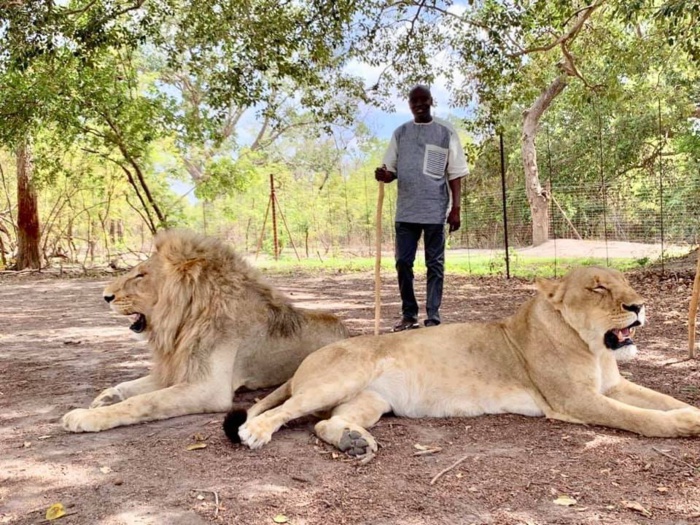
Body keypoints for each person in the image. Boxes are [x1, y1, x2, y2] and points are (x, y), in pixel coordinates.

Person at [375, 84, 468, 332]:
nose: (419, 105)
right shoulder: (400, 133)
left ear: (430, 101)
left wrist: (455, 208)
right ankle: (408, 314)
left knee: (434, 264)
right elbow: (390, 169)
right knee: (403, 262)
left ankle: (433, 316)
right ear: (409, 105)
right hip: (406, 211)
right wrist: (384, 174)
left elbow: (456, 173)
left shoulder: (445, 132)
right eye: (414, 101)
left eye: (423, 100)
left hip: (435, 210)